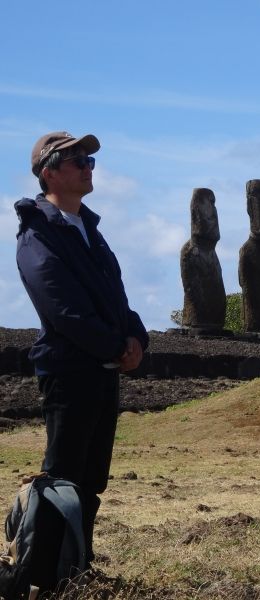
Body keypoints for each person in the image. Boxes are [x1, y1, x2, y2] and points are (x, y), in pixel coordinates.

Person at [14, 131, 148, 569]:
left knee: (91, 481)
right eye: (77, 161)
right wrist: (115, 345)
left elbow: (117, 297)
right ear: (49, 171)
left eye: (90, 160)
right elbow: (63, 309)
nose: (88, 167)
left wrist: (137, 340)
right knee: (62, 479)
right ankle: (42, 574)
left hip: (102, 369)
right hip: (69, 370)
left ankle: (77, 566)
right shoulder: (39, 235)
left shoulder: (88, 230)